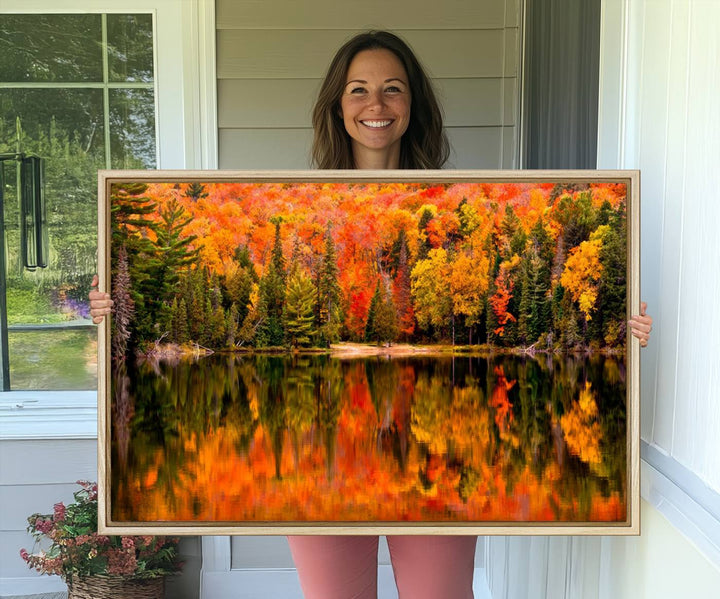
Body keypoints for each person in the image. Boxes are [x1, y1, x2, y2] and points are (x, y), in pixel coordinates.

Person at [89, 30, 653, 599]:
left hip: (432, 482)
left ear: (413, 105)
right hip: (323, 482)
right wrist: (111, 314)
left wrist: (620, 326)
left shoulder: (459, 196)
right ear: (338, 105)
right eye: (358, 90)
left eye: (392, 89)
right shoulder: (302, 199)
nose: (376, 104)